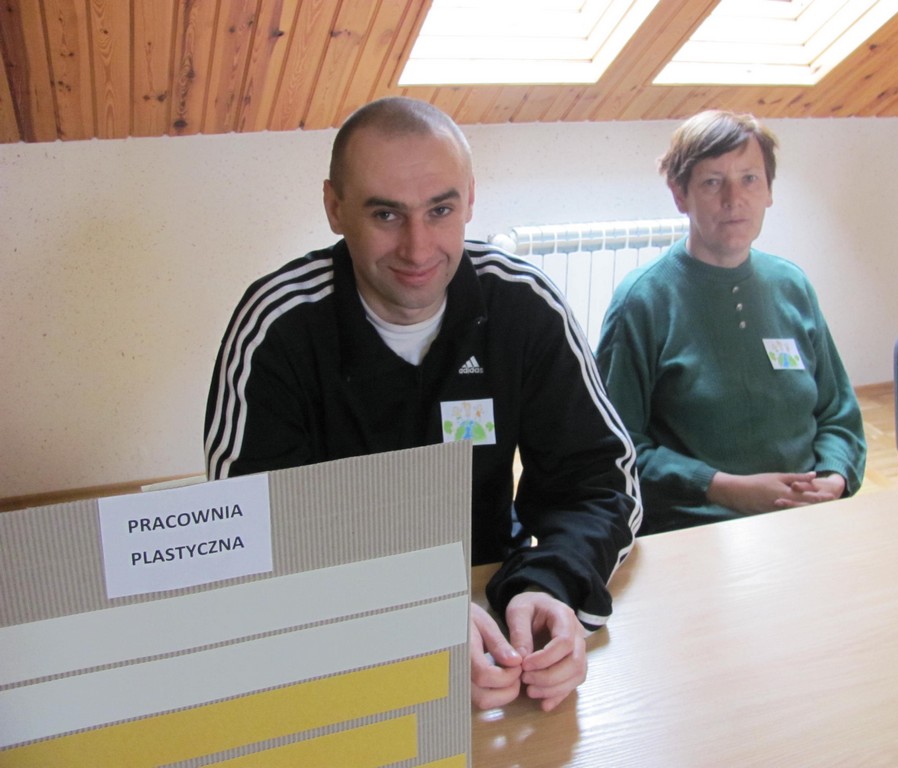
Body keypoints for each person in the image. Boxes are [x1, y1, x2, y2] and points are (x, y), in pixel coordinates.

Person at [204, 96, 641, 710]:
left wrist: (551, 586)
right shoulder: (277, 325)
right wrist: (408, 613)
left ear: (470, 199)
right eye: (386, 214)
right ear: (334, 208)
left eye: (440, 210)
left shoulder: (524, 305)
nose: (417, 248)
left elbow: (599, 481)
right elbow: (248, 532)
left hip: (498, 630)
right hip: (341, 643)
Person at [595, 109, 865, 534]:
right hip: (695, 530)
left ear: (769, 190)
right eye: (712, 182)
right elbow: (614, 449)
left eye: (749, 179)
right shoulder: (642, 301)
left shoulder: (792, 285)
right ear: (680, 195)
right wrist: (723, 488)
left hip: (806, 520)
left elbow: (837, 415)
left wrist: (834, 476)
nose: (733, 199)